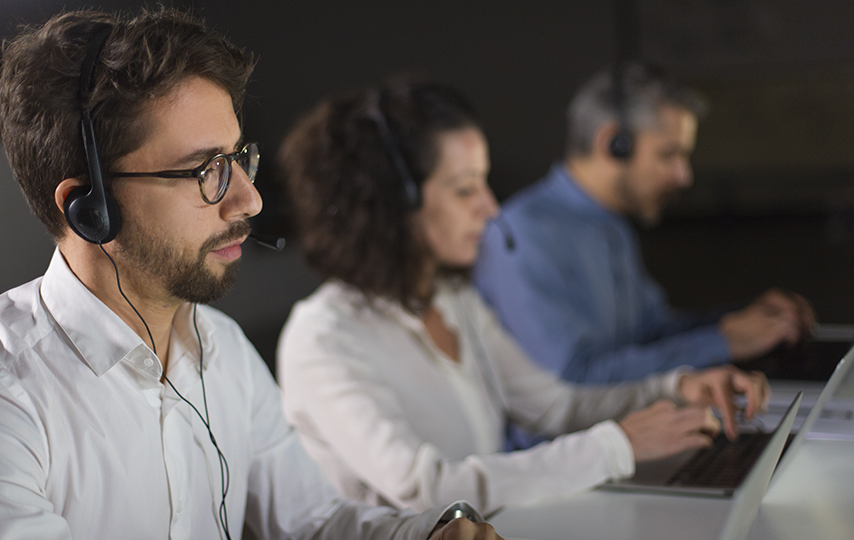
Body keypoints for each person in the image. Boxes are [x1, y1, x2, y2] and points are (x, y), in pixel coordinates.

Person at [0, 10, 500, 540]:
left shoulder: (225, 352)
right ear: (89, 208)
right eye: (204, 170)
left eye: (238, 157)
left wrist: (430, 534)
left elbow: (313, 522)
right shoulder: (15, 391)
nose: (249, 199)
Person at [275, 78, 769, 516]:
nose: (491, 209)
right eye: (466, 189)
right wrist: (616, 446)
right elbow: (426, 490)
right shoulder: (324, 338)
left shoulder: (453, 300)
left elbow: (553, 406)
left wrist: (674, 388)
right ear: (391, 204)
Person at [473, 63, 815, 389]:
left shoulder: (612, 224)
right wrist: (722, 342)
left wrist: (741, 320)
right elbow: (574, 379)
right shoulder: (522, 235)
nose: (684, 176)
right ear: (613, 144)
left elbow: (650, 332)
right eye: (669, 155)